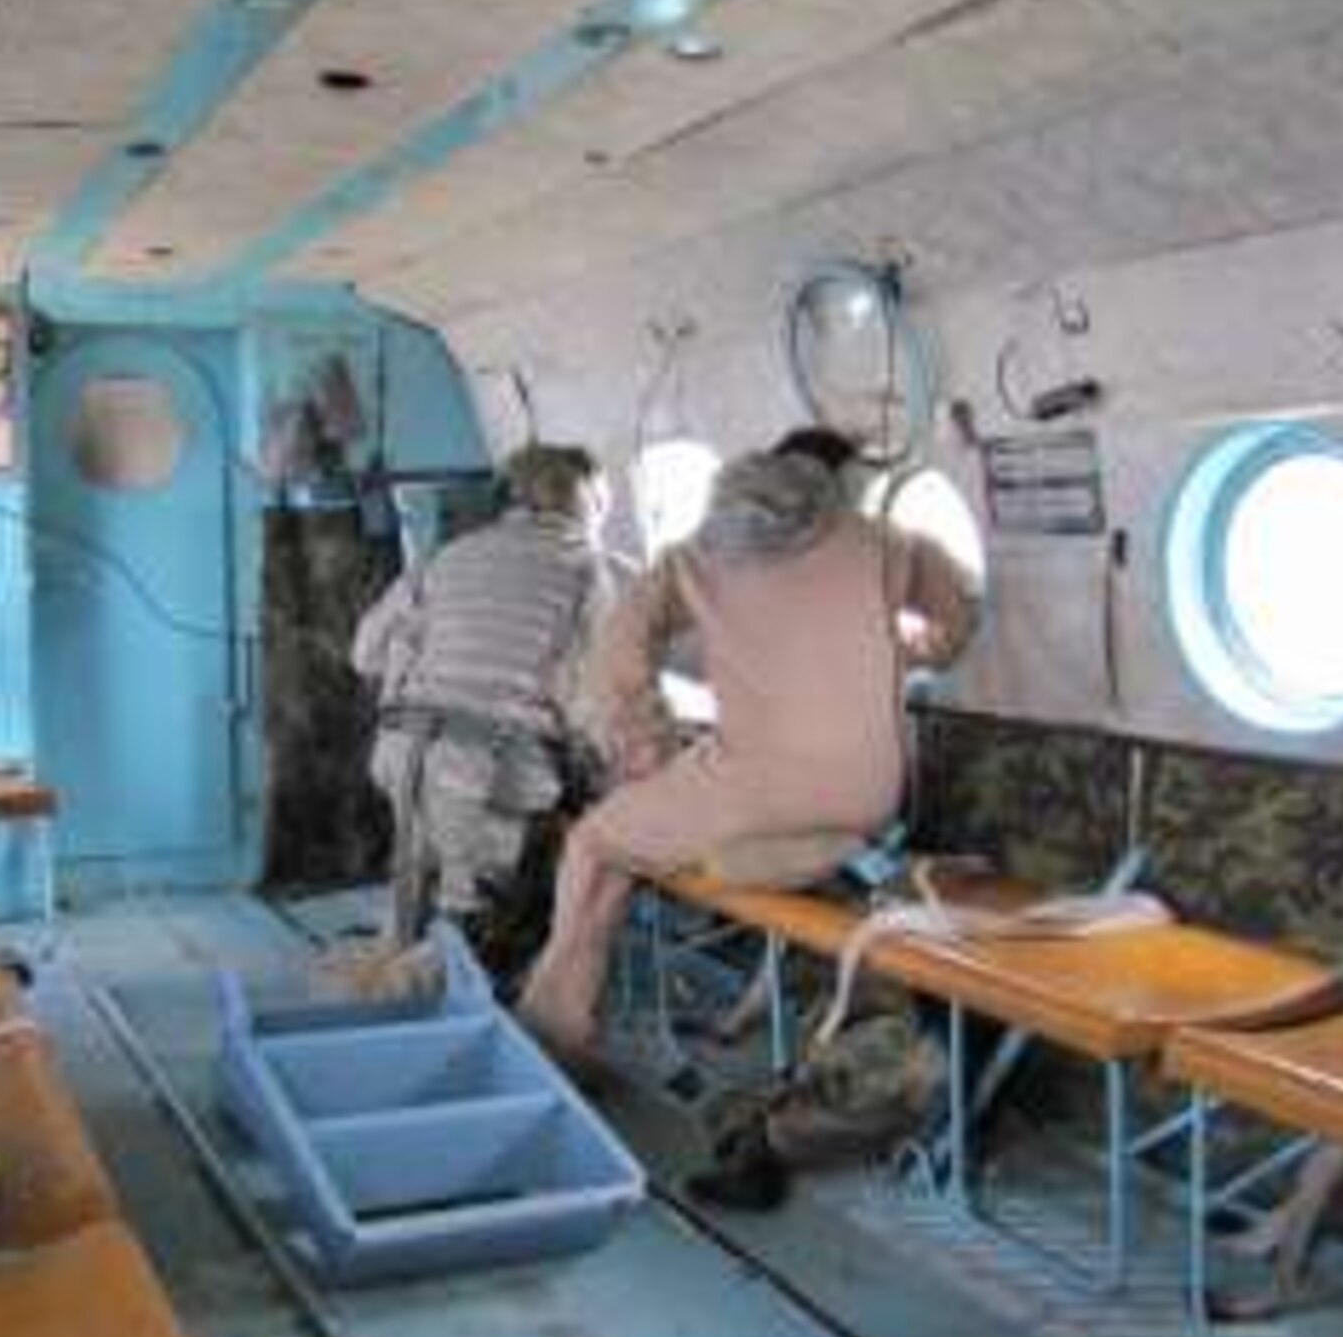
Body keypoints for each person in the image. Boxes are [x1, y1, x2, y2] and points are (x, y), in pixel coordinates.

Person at [514, 428, 976, 1062]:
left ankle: (555, 1033)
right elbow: (957, 616)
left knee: (595, 844)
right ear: (832, 488)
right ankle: (833, 845)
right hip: (870, 795)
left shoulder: (695, 557)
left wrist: (648, 743)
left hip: (751, 792)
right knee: (733, 845)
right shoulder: (882, 544)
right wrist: (902, 651)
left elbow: (615, 650)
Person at [350, 443, 621, 988]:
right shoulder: (587, 572)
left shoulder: (450, 555)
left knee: (421, 861)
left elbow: (364, 653)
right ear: (589, 503)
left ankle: (399, 958)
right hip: (490, 766)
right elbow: (595, 698)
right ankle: (456, 980)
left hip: (399, 752)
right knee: (498, 896)